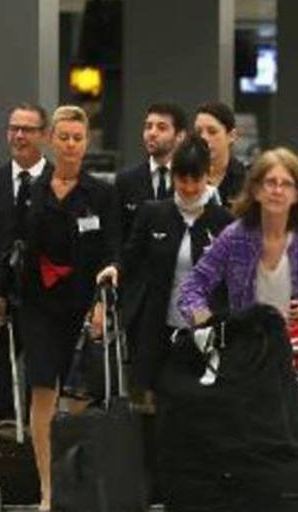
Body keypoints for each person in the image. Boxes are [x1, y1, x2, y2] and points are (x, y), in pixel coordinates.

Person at [0, 106, 120, 512]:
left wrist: (102, 304)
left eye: (77, 138)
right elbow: (14, 249)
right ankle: (46, 489)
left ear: (86, 143)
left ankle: (74, 482)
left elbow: (114, 250)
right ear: (51, 140)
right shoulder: (32, 190)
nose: (70, 145)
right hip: (38, 304)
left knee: (78, 397)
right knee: (41, 388)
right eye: (63, 137)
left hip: (82, 303)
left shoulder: (101, 193)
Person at [99, 135, 233, 392]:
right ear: (173, 177)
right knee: (154, 405)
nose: (190, 187)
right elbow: (130, 257)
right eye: (183, 179)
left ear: (209, 175)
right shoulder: (153, 213)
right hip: (156, 327)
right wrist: (115, 267)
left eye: (197, 179)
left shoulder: (224, 222)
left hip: (207, 331)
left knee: (201, 403)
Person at [177, 147, 298, 333]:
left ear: (297, 194)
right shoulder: (235, 236)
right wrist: (209, 323)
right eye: (270, 182)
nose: (277, 190)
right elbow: (191, 288)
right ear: (256, 191)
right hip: (248, 352)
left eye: (286, 184)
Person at [0, 103, 53, 425]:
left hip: (42, 300)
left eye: (28, 129)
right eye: (14, 128)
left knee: (39, 381)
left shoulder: (57, 182)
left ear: (44, 135)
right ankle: (3, 449)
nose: (19, 135)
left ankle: (37, 453)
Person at [114, 102, 188, 240]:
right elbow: (118, 235)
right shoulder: (126, 180)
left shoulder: (189, 180)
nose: (152, 133)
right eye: (148, 127)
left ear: (180, 136)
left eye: (162, 128)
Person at [194, 102, 247, 208]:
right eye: (198, 132)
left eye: (212, 132)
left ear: (231, 136)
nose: (204, 138)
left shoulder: (247, 179)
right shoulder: (185, 176)